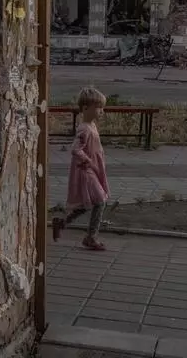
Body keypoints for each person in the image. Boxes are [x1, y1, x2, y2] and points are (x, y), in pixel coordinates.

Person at [63, 86, 110, 251]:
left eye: (102, 107)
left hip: (93, 169)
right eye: (98, 107)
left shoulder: (92, 126)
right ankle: (91, 237)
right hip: (86, 171)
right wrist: (88, 161)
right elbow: (76, 149)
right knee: (100, 201)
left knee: (88, 203)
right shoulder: (84, 129)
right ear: (85, 108)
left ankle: (63, 222)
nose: (101, 111)